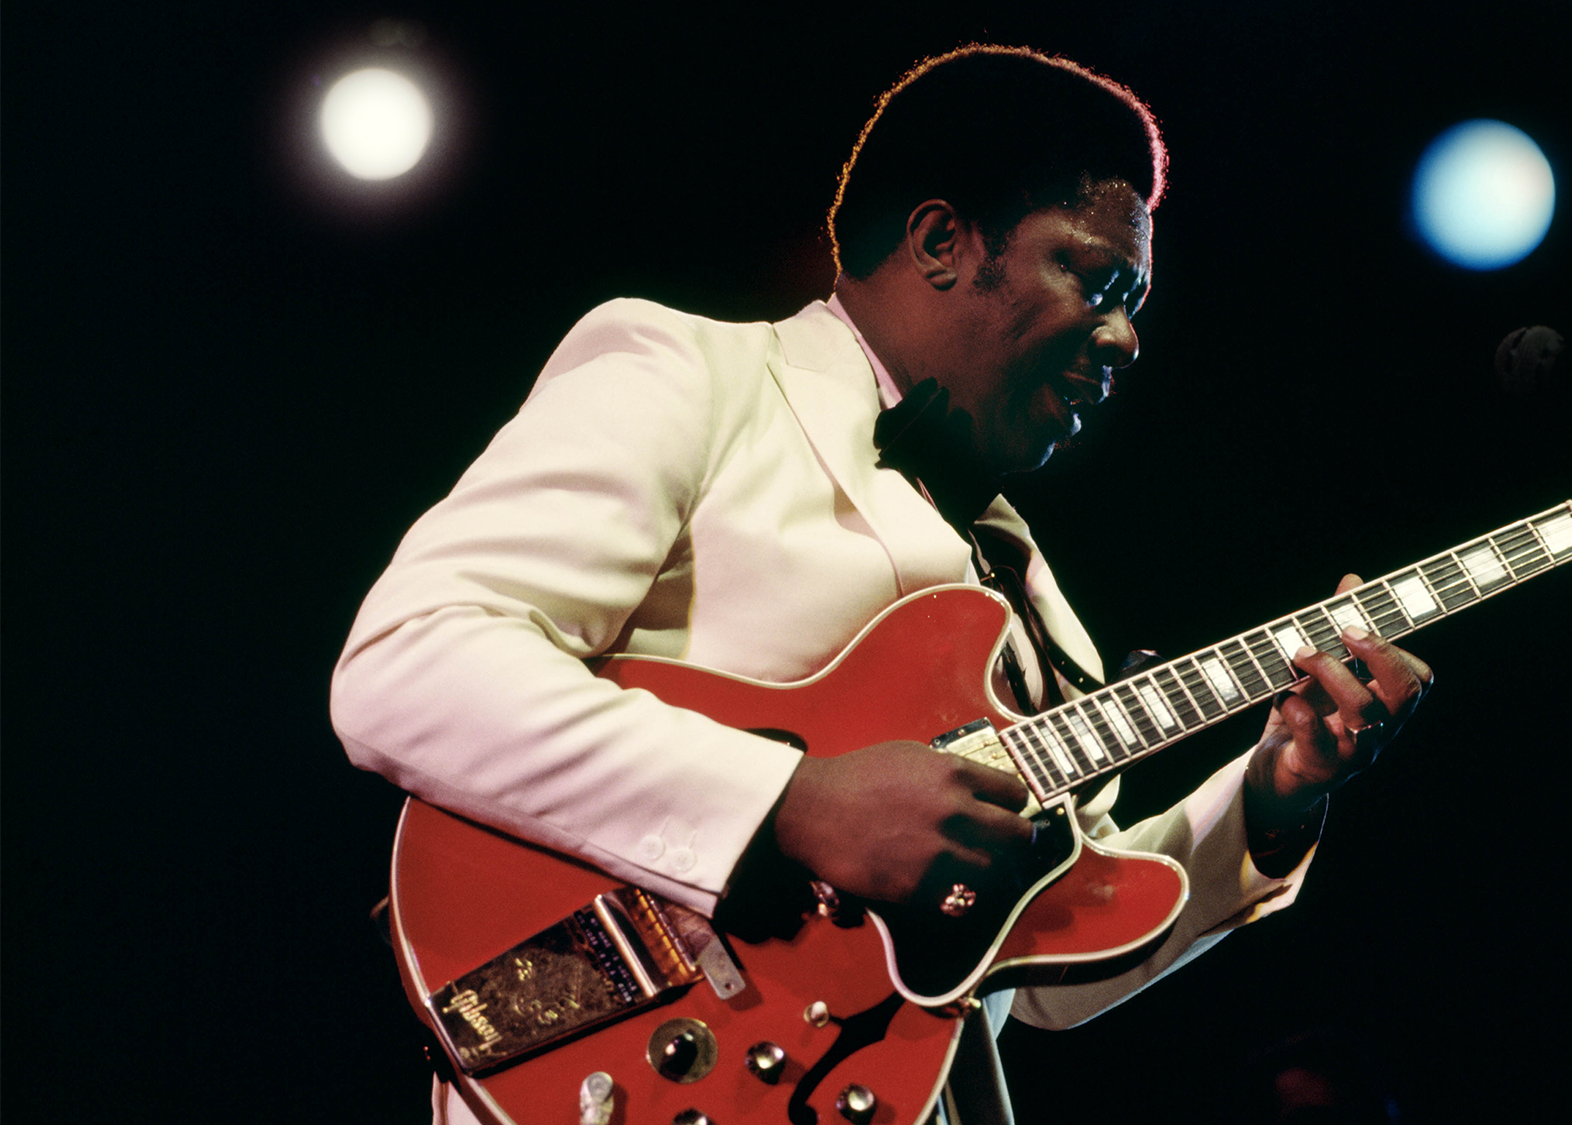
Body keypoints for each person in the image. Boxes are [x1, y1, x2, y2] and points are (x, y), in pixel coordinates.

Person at [331, 44, 1431, 1125]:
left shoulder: (1029, 596)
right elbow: (410, 663)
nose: (1125, 335)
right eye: (1092, 277)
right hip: (622, 1059)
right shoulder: (694, 375)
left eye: (1131, 297)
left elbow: (1038, 979)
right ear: (943, 241)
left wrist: (1270, 797)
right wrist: (793, 805)